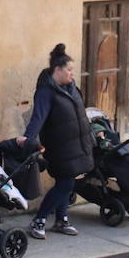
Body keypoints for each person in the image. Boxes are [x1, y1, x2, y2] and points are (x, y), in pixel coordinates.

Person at [23, 44, 94, 240]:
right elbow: (38, 118)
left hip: (76, 146)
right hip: (59, 147)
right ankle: (39, 219)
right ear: (58, 70)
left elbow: (80, 115)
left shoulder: (71, 87)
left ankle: (62, 219)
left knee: (67, 183)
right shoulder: (46, 92)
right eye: (69, 70)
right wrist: (27, 139)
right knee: (65, 184)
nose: (72, 73)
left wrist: (92, 135)